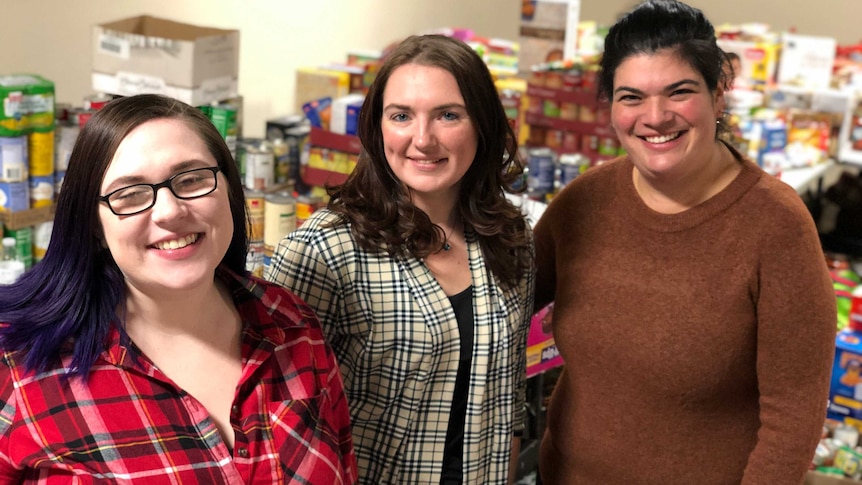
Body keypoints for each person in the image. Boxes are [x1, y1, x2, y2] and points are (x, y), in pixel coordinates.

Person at [532, 1, 836, 484]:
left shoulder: (776, 225)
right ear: (610, 105)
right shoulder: (584, 201)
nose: (655, 117)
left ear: (718, 95)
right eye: (631, 97)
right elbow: (503, 302)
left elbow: (794, 416)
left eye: (680, 92)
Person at [0, 94, 357, 484]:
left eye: (191, 179)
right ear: (94, 227)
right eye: (130, 194)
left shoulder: (293, 324)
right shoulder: (20, 365)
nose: (170, 212)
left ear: (229, 191)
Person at [265, 34, 536, 484]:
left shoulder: (510, 239)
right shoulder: (323, 250)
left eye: (448, 115)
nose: (423, 139)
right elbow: (280, 427)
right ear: (378, 127)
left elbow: (508, 402)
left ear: (482, 124)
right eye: (402, 116)